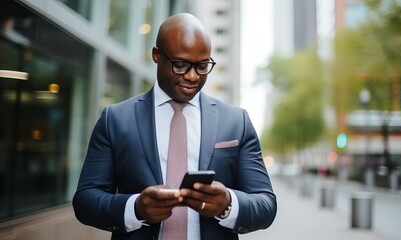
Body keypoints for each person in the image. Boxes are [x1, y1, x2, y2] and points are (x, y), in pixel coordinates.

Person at [73, 13, 276, 240]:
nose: (192, 76)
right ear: (157, 55)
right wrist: (135, 208)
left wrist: (228, 204)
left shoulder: (237, 121)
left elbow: (266, 204)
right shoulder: (115, 119)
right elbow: (85, 200)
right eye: (180, 64)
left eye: (202, 66)